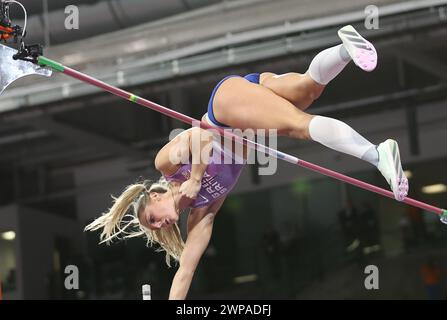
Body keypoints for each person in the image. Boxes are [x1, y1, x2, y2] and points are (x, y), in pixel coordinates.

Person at [85, 25, 408, 299]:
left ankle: (377, 154)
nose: (159, 227)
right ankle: (346, 48)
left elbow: (200, 137)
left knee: (297, 124)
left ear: (155, 198)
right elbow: (185, 272)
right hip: (249, 98)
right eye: (156, 228)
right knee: (308, 89)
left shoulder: (166, 166)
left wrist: (195, 177)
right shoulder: (202, 215)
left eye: (152, 220)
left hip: (225, 109)